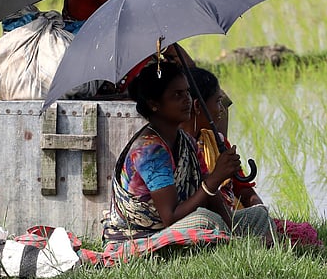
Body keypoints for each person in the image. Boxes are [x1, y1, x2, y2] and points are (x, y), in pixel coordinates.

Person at [99, 61, 275, 263]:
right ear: (154, 104)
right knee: (205, 220)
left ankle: (242, 247)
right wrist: (216, 178)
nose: (187, 100)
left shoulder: (186, 142)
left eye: (188, 93)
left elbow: (212, 196)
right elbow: (170, 217)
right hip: (139, 238)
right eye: (177, 95)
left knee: (258, 215)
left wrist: (232, 226)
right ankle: (241, 248)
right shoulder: (150, 150)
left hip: (177, 226)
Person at [184, 67, 321, 247]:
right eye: (217, 102)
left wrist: (262, 214)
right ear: (197, 105)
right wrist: (217, 177)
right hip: (205, 220)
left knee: (304, 234)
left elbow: (244, 190)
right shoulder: (181, 148)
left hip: (231, 214)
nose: (221, 110)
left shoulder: (217, 142)